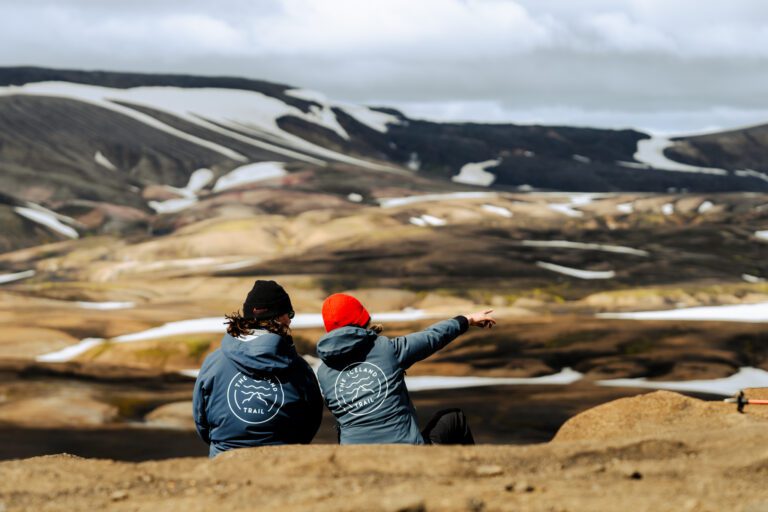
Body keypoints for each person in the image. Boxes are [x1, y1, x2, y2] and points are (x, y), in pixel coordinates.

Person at [315, 293, 495, 445]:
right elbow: (432, 337)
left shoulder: (323, 372)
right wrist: (467, 319)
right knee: (454, 418)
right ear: (362, 319)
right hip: (406, 449)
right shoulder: (387, 349)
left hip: (355, 457)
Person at [193, 280, 323, 457]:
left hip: (223, 462)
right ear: (278, 317)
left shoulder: (214, 361)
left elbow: (201, 420)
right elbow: (311, 421)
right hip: (282, 463)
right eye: (289, 314)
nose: (291, 320)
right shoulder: (299, 367)